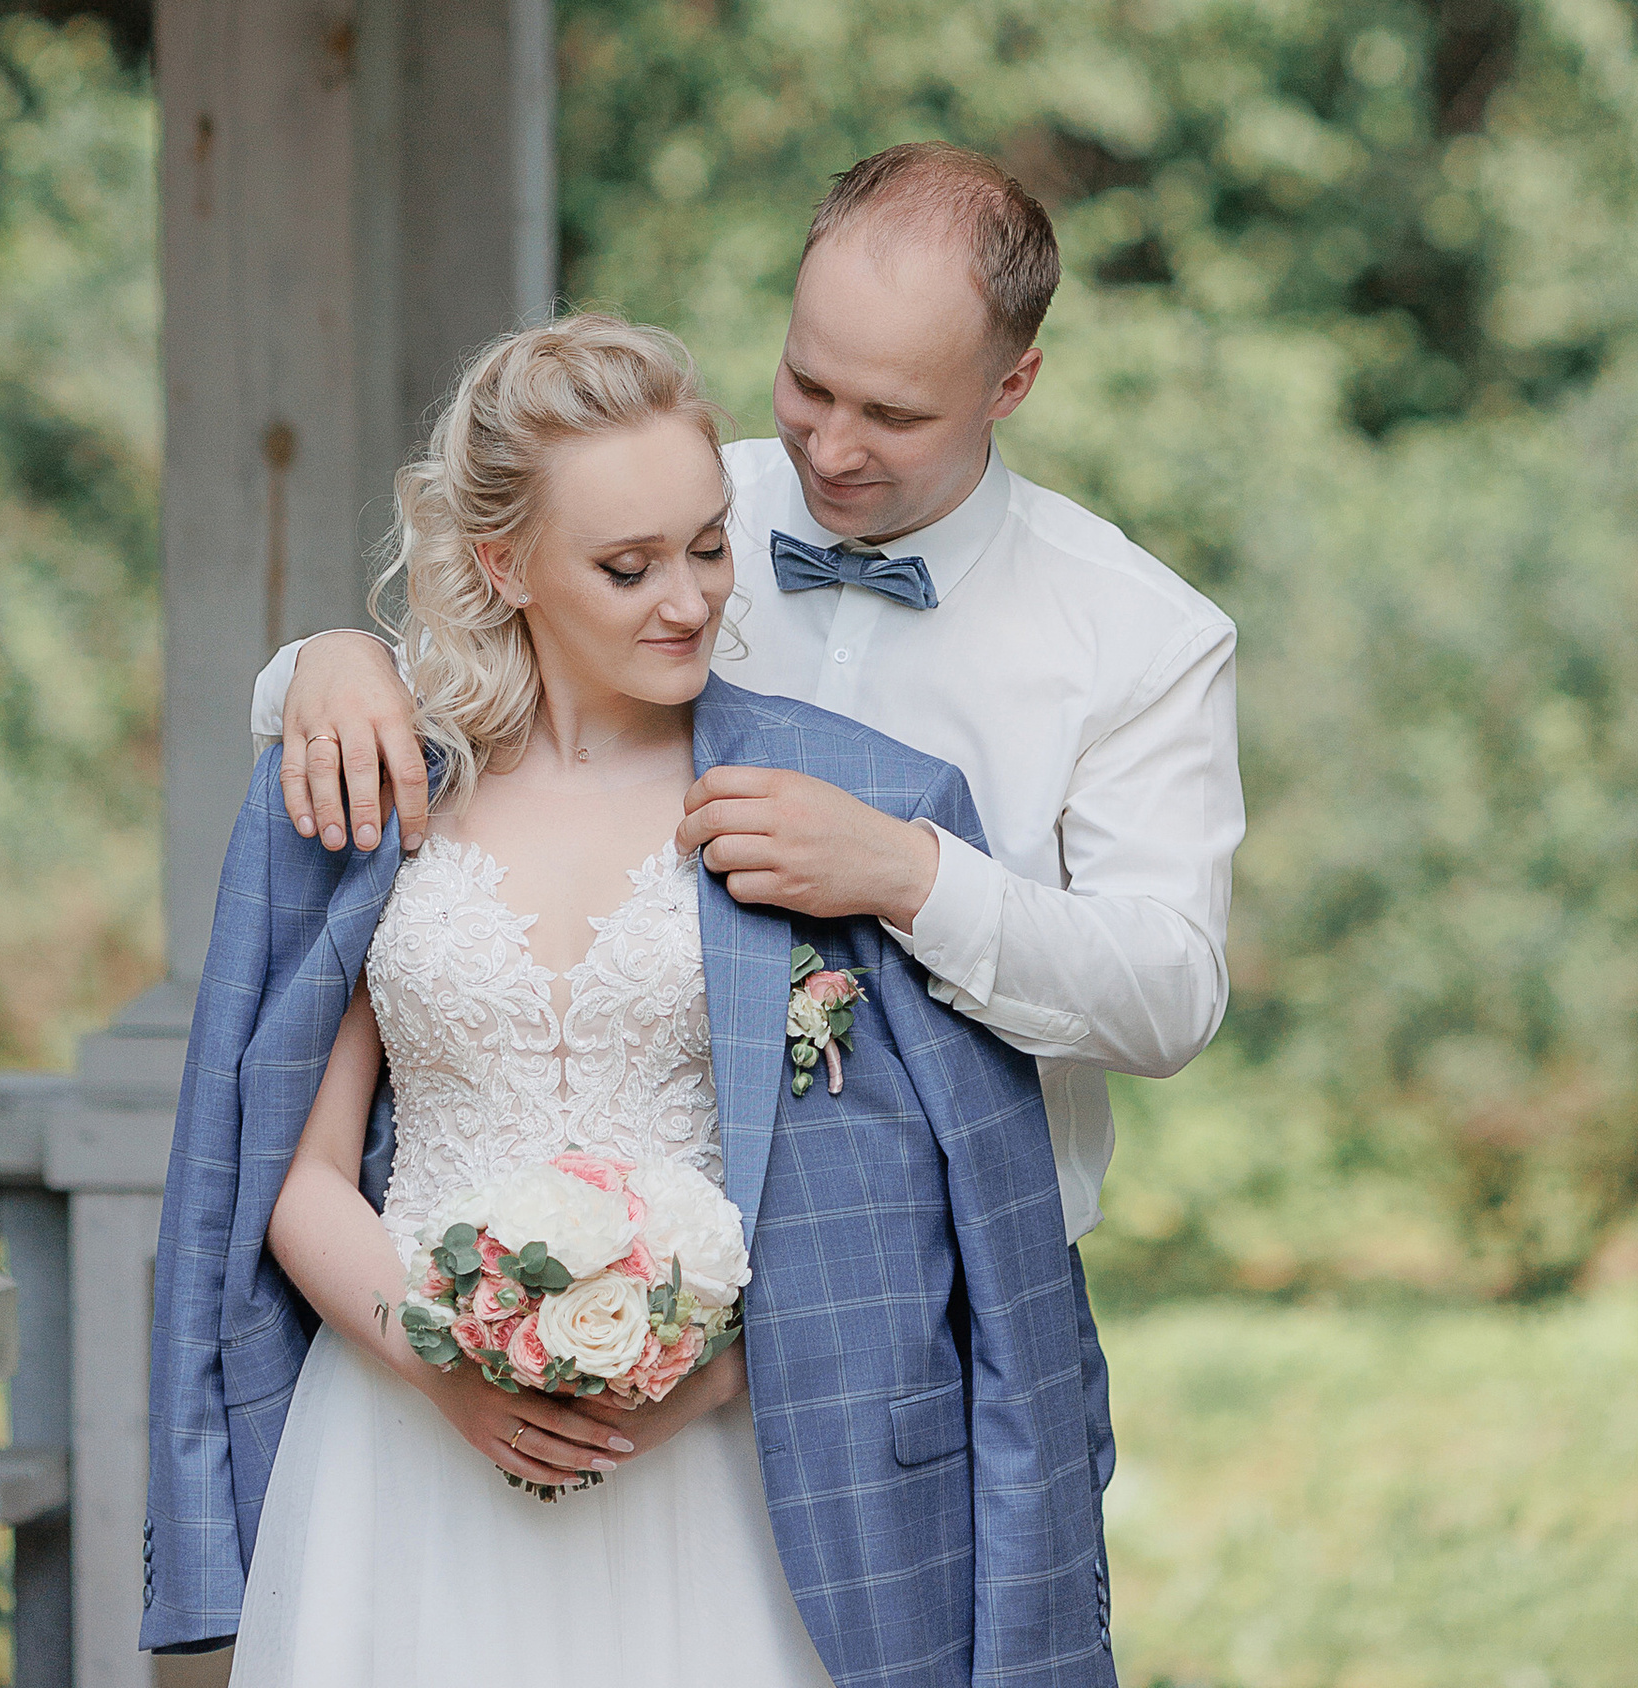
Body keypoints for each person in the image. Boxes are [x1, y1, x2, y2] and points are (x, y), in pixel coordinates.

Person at [261, 145, 1245, 1590]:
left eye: (894, 413)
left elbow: (1169, 997)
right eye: (807, 385)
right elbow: (471, 644)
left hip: (923, 1316)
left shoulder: (1138, 637)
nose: (833, 448)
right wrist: (325, 662)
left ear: (1012, 386)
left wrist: (912, 875)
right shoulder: (672, 506)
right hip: (517, 1299)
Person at [144, 314, 1115, 1688]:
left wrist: (695, 1379)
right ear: (504, 564)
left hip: (715, 1475)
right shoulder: (387, 791)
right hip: (399, 1459)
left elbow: (906, 1205)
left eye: (709, 544)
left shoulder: (812, 811)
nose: (690, 598)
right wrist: (442, 1367)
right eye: (628, 565)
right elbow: (294, 1171)